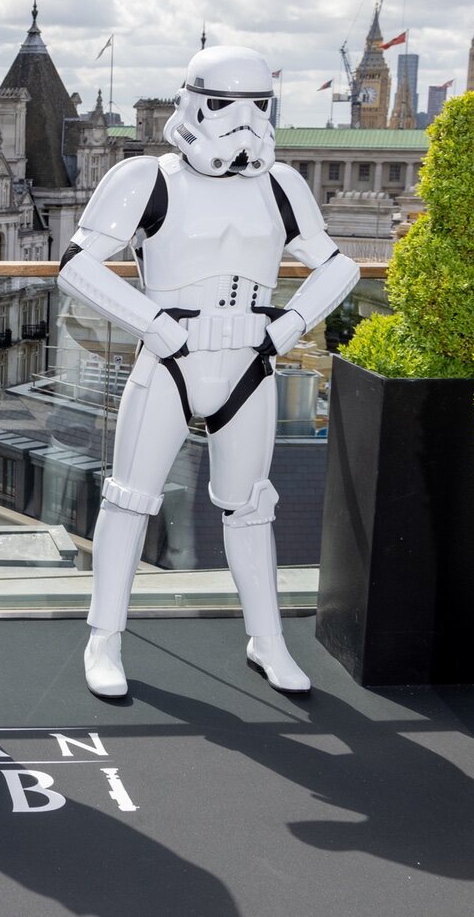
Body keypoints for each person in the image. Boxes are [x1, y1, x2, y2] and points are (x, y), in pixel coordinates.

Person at [58, 45, 360, 699]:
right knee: (129, 498)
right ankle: (103, 637)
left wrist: (284, 327)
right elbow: (77, 265)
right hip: (171, 359)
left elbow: (339, 266)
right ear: (194, 100)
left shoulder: (282, 186)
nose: (243, 120)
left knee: (250, 507)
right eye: (227, 103)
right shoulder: (145, 179)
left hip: (248, 361)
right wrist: (156, 326)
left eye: (258, 105)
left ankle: (268, 639)